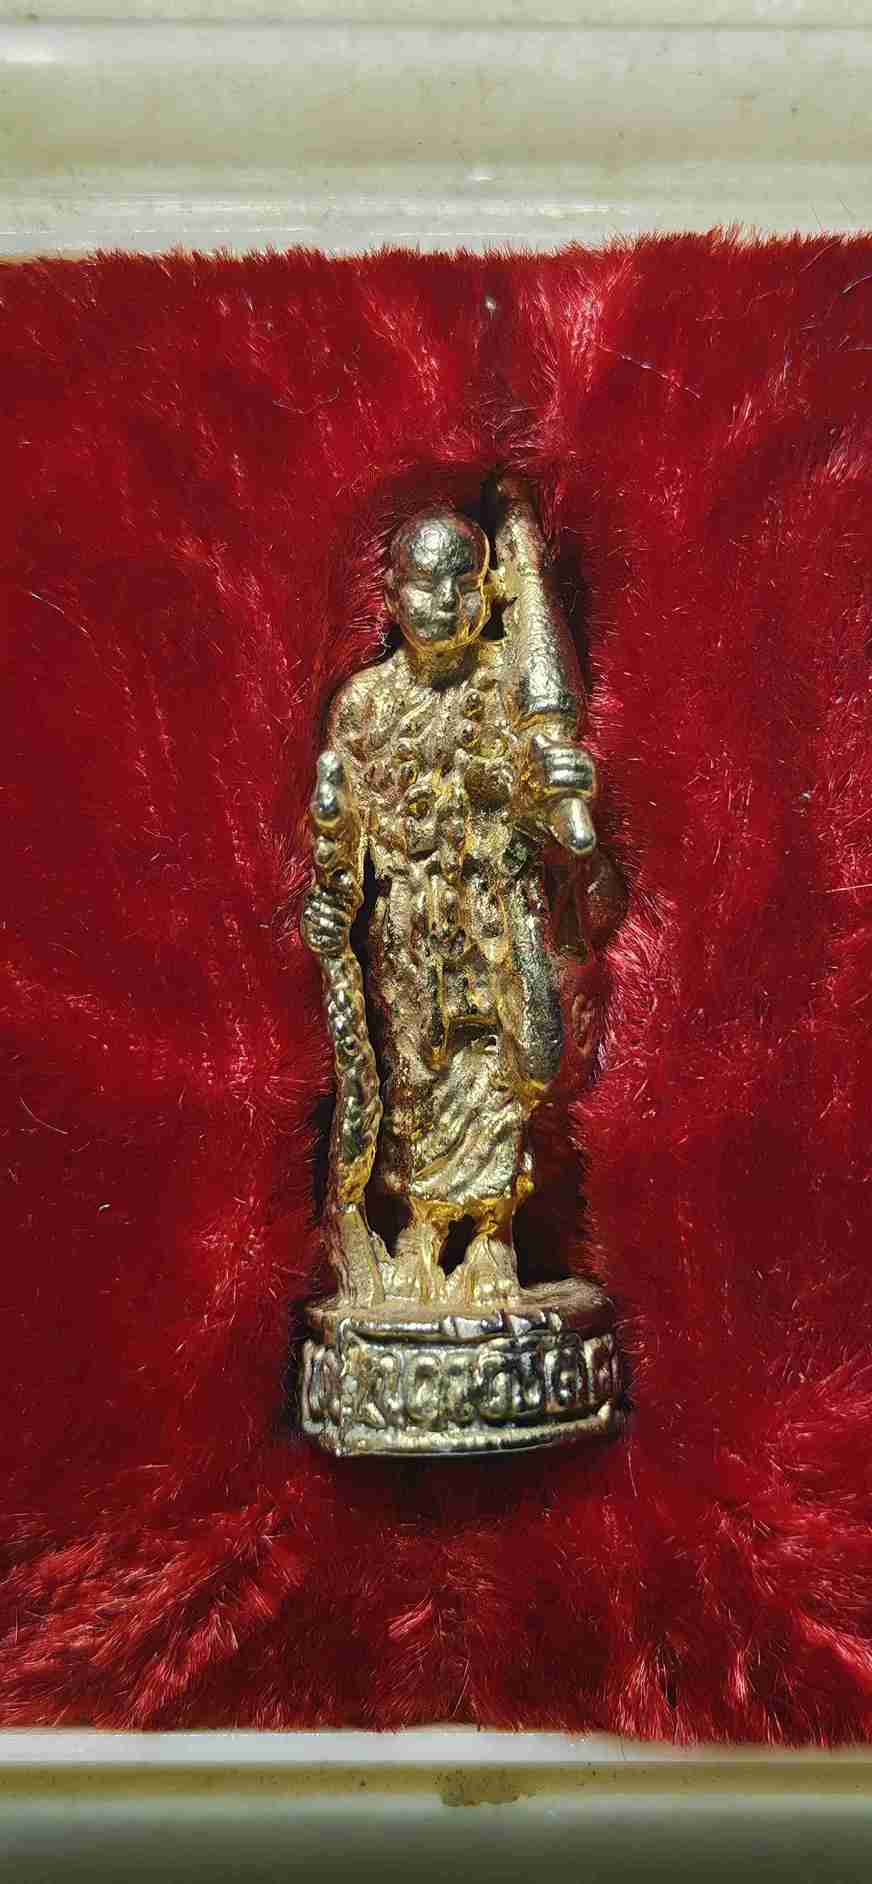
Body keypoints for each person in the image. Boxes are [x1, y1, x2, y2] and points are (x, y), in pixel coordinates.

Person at [302, 478, 623, 1307]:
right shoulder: (364, 708)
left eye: (464, 583)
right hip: (409, 928)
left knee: (509, 1069)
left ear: (489, 591)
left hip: (496, 912)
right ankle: (420, 1231)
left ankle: (492, 1237)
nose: (445, 603)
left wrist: (560, 786)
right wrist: (331, 899)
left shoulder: (508, 686)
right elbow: (343, 843)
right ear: (390, 595)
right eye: (425, 585)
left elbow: (545, 814)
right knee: (415, 1070)